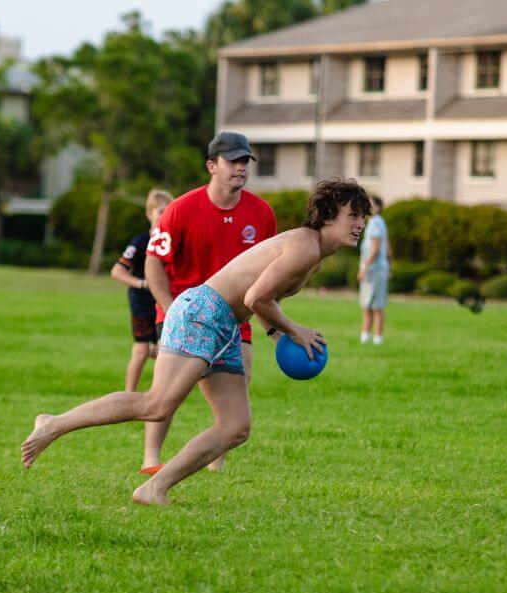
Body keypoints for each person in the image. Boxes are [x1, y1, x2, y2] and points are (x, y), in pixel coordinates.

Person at [20, 179, 370, 506]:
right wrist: (295, 330)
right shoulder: (304, 248)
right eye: (353, 215)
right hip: (202, 312)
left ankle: (154, 487)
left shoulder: (313, 255)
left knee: (235, 427)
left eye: (363, 216)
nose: (360, 223)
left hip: (225, 324)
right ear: (327, 216)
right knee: (157, 405)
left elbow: (261, 299)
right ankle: (53, 423)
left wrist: (278, 334)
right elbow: (256, 297)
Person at [141, 131, 276, 475]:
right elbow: (153, 263)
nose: (241, 167)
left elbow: (267, 277)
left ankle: (217, 457)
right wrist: (171, 309)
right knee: (167, 393)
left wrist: (272, 327)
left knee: (242, 372)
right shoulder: (180, 209)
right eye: (233, 161)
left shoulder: (261, 214)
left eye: (245, 161)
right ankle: (151, 459)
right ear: (211, 166)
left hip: (233, 314)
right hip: (183, 311)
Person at [109, 189, 173, 392]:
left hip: (164, 302)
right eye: (161, 211)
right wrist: (142, 283)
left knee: (166, 350)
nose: (165, 216)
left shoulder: (173, 239)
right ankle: (129, 394)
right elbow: (117, 271)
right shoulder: (140, 242)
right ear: (149, 214)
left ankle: (160, 394)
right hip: (142, 303)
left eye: (169, 211)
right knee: (141, 350)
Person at [357, 194, 393, 345]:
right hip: (377, 269)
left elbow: (376, 248)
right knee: (367, 305)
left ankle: (376, 338)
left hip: (375, 270)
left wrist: (364, 267)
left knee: (376, 306)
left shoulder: (375, 223)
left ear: (378, 207)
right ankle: (365, 337)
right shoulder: (376, 223)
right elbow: (389, 249)